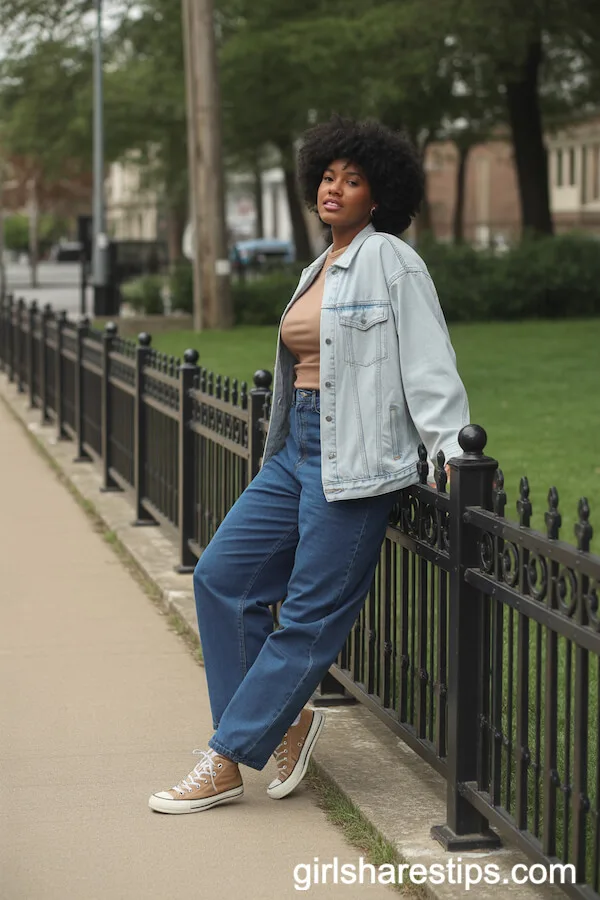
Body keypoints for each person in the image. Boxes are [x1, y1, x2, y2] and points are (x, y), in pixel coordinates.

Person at [149, 115, 470, 815]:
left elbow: (428, 361)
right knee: (222, 577)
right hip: (295, 451)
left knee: (308, 617)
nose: (336, 188)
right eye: (328, 176)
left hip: (354, 459)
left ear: (378, 196)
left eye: (353, 181)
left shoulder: (391, 260)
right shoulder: (317, 267)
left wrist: (450, 446)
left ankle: (226, 759)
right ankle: (286, 719)